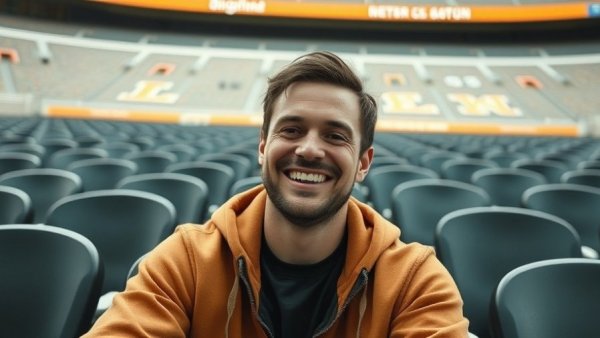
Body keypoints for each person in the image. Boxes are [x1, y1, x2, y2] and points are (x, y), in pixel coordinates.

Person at [83, 51, 469, 337]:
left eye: (335, 136)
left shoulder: (415, 281)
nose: (309, 150)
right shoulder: (186, 261)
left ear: (364, 162)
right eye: (292, 130)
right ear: (263, 147)